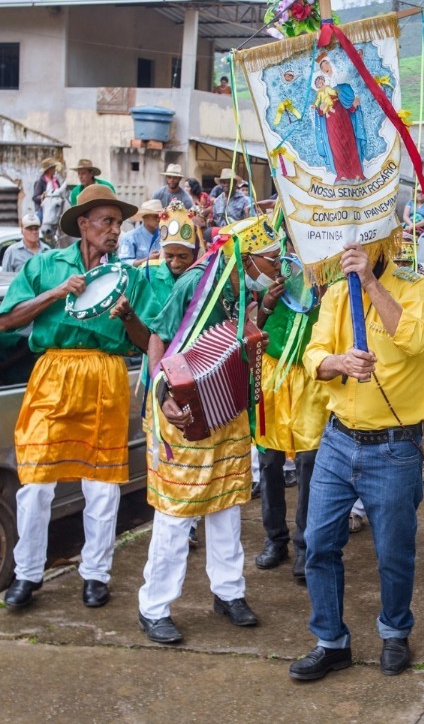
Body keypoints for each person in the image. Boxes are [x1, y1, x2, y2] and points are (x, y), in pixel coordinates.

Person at [0, 184, 157, 610]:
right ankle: (27, 573)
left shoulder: (128, 277)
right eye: (107, 222)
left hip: (105, 376)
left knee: (102, 487)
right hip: (53, 374)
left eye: (119, 223)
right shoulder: (46, 265)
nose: (115, 231)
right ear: (83, 225)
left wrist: (128, 315)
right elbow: (7, 320)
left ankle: (96, 574)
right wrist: (56, 292)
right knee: (35, 483)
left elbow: (146, 341)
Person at [291, 231, 424, 682]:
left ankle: (395, 631)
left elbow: (415, 340)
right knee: (319, 543)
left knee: (393, 551)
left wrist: (371, 284)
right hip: (337, 440)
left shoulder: (416, 287)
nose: (351, 251)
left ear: (385, 243)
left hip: (394, 447)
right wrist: (338, 362)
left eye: (365, 241)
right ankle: (330, 641)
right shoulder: (337, 294)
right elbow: (313, 355)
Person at [138, 217, 282, 644]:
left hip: (226, 410)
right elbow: (159, 338)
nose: (277, 268)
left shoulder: (243, 287)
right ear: (247, 258)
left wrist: (262, 316)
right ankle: (154, 606)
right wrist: (162, 394)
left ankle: (229, 592)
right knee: (176, 511)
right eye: (272, 261)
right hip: (183, 412)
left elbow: (242, 335)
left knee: (227, 505)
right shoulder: (195, 283)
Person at [252, 252, 330, 583]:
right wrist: (268, 304)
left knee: (309, 461)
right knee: (269, 460)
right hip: (272, 375)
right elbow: (250, 325)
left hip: (310, 377)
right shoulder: (269, 266)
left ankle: (305, 545)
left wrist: (325, 294)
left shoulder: (330, 269)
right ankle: (275, 539)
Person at [118, 199, 163, 264]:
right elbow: (124, 262)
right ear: (144, 217)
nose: (158, 219)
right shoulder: (130, 237)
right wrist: (147, 260)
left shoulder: (165, 235)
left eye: (160, 216)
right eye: (155, 216)